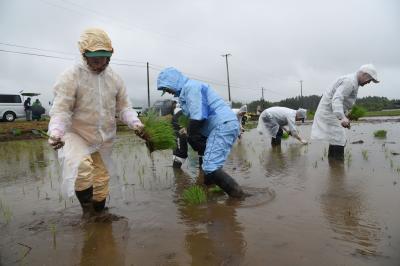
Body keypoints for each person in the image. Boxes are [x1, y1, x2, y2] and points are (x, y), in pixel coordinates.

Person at [48, 28, 144, 215]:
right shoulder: (71, 76)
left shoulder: (114, 79)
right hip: (76, 133)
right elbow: (61, 110)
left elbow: (124, 107)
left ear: (110, 55)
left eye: (103, 57)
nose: (99, 62)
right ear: (84, 55)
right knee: (83, 168)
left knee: (101, 179)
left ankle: (99, 213)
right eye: (94, 58)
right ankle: (87, 212)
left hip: (102, 137)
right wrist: (56, 132)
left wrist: (136, 124)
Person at [157, 67, 245, 198]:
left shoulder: (191, 88)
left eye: (167, 88)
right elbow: (196, 116)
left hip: (222, 126)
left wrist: (191, 133)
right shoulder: (186, 92)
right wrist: (188, 129)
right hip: (221, 126)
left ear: (174, 81)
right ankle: (209, 191)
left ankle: (238, 196)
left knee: (210, 166)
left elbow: (198, 116)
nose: (168, 92)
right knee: (209, 164)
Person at [311, 64, 379, 160]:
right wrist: (342, 117)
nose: (369, 82)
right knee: (339, 138)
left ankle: (334, 167)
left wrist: (347, 115)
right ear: (364, 74)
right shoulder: (350, 82)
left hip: (333, 112)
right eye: (369, 79)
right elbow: (337, 99)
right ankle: (337, 166)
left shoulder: (354, 82)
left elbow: (344, 102)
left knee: (336, 138)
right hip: (329, 112)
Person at [171, 102, 207, 168]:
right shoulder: (180, 114)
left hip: (198, 120)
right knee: (181, 151)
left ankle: (203, 173)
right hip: (182, 119)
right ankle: (177, 171)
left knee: (203, 148)